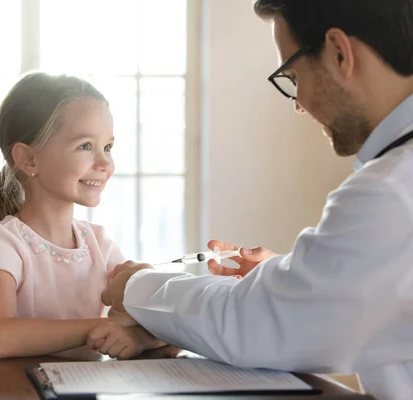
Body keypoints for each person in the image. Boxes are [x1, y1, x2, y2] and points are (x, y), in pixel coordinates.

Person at [90, 1, 413, 399]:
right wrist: (293, 274)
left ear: (339, 53)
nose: (298, 106)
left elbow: (261, 324)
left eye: (292, 77)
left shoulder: (392, 191)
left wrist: (137, 286)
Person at [0, 72, 164, 359]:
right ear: (28, 159)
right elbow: (0, 337)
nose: (105, 163)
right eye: (85, 146)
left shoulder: (100, 243)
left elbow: (162, 326)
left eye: (107, 147)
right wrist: (107, 326)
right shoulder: (1, 243)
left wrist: (139, 335)